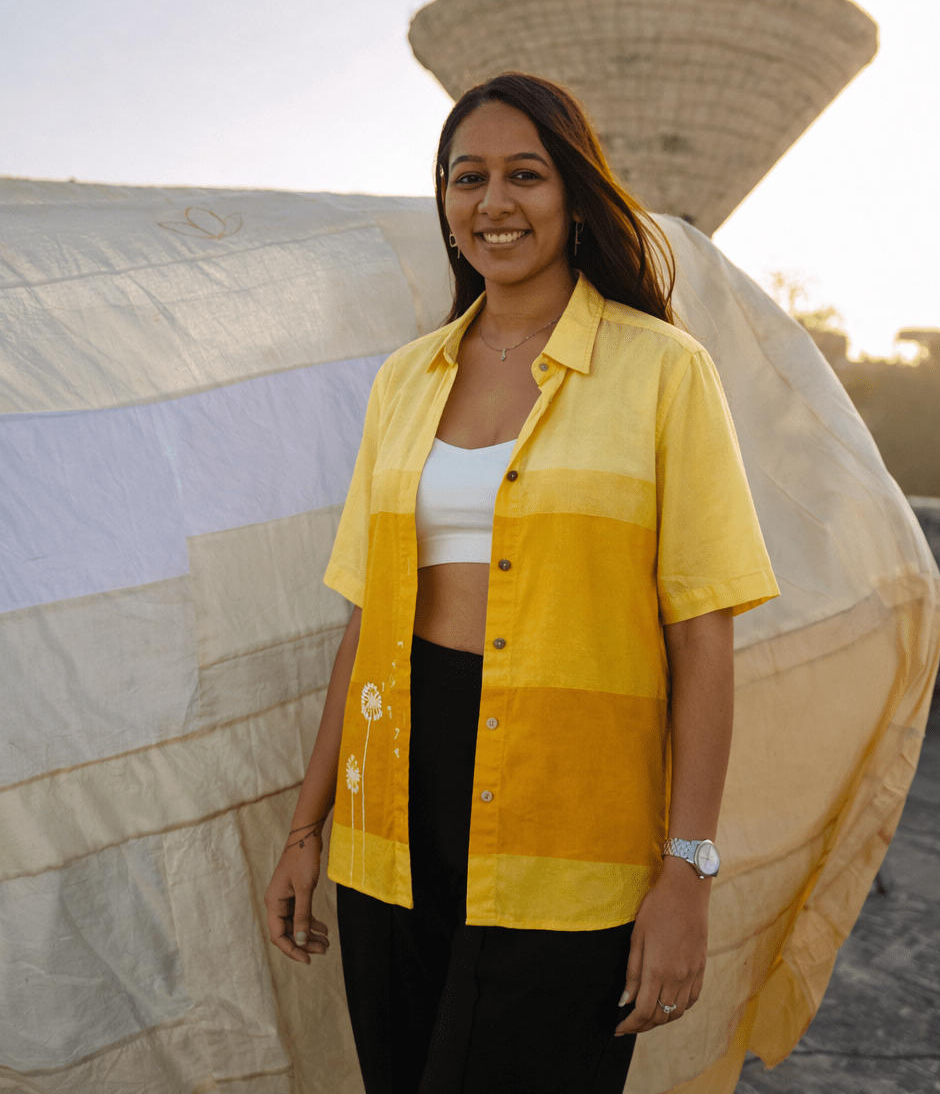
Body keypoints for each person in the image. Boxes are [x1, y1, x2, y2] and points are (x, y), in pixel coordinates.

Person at [264, 72, 779, 1093]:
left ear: (575, 194)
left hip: (570, 830)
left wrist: (687, 869)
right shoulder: (404, 382)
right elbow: (367, 621)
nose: (492, 202)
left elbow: (700, 637)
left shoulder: (663, 372)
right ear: (445, 203)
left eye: (524, 175)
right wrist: (304, 829)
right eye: (467, 178)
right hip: (390, 814)